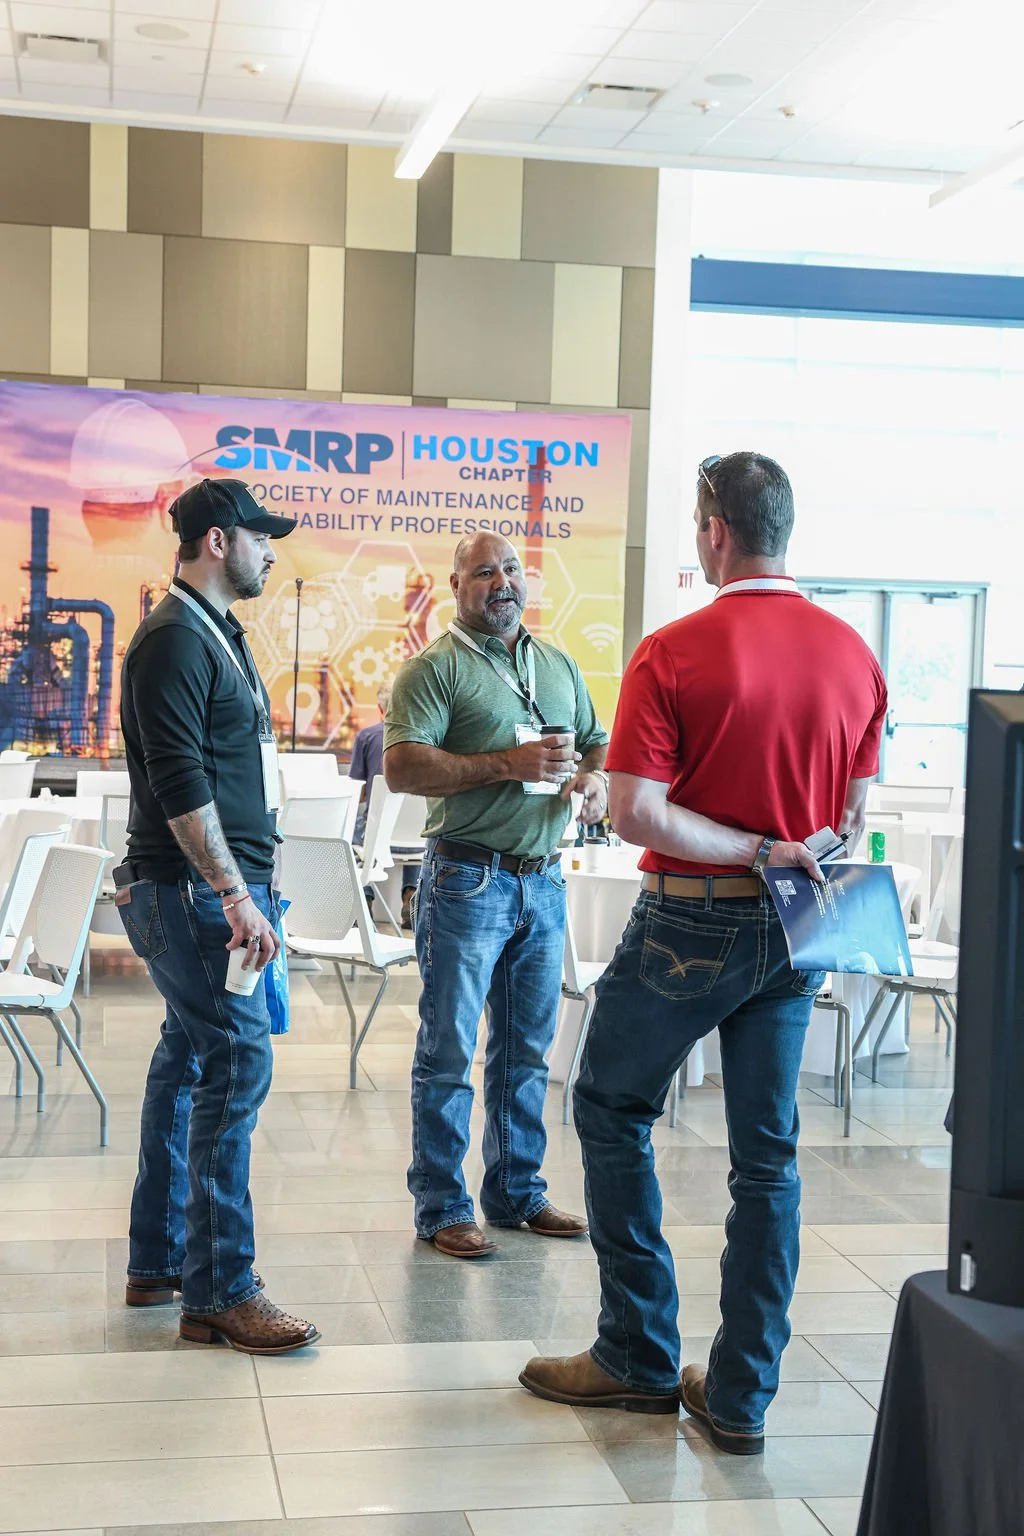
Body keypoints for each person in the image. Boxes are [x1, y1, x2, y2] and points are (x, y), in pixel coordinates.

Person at [520, 452, 888, 1450]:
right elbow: (855, 817)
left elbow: (637, 808)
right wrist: (788, 849)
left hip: (692, 917)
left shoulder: (672, 650)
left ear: (715, 530)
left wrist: (749, 847)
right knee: (766, 1161)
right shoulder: (856, 655)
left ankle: (635, 1353)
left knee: (608, 1105)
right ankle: (738, 1396)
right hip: (797, 929)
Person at [116, 476, 319, 1355]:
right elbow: (179, 781)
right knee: (236, 1063)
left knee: (188, 1062)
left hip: (209, 892)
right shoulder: (172, 639)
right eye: (260, 536)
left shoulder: (214, 635)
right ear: (216, 541)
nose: (271, 549)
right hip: (192, 894)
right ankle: (220, 1289)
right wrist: (236, 894)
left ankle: (160, 1260)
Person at [384, 531, 610, 1257]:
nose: (502, 582)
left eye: (511, 569)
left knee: (526, 1051)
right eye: (485, 572)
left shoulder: (556, 662)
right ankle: (443, 1206)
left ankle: (516, 1192)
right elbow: (403, 768)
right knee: (449, 1050)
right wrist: (505, 764)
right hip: (466, 879)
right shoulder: (434, 669)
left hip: (543, 880)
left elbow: (598, 739)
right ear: (456, 586)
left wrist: (594, 778)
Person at [351, 681, 417, 928]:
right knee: (422, 833)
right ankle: (411, 896)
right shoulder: (425, 737)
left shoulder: (367, 736)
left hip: (377, 836)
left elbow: (359, 792)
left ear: (381, 709)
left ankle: (364, 902)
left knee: (354, 832)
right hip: (415, 840)